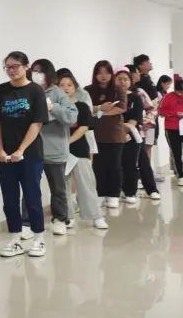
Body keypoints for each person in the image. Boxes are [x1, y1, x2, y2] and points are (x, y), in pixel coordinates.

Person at [0, 51, 48, 258]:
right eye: (8, 67)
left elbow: (37, 123)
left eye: (15, 66)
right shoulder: (1, 90)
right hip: (5, 155)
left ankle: (39, 238)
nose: (11, 70)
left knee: (32, 196)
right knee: (10, 198)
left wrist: (21, 149)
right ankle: (15, 239)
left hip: (30, 154)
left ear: (26, 67)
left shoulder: (35, 91)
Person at [29, 58, 77, 236]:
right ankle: (28, 222)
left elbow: (71, 117)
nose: (36, 74)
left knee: (57, 188)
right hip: (32, 149)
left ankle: (59, 219)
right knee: (30, 187)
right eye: (34, 71)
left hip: (54, 149)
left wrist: (53, 108)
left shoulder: (57, 93)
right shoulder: (29, 91)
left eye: (40, 71)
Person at [57, 72, 108, 230]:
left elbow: (84, 128)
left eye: (69, 85)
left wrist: (67, 142)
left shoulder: (82, 106)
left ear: (75, 88)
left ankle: (96, 216)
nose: (66, 88)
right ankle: (68, 217)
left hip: (79, 151)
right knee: (62, 187)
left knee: (86, 185)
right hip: (59, 153)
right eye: (61, 85)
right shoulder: (54, 108)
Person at [85, 61, 127, 209]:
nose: (103, 76)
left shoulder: (118, 89)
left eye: (107, 72)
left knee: (114, 165)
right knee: (98, 165)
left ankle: (114, 194)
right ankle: (100, 194)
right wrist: (99, 108)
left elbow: (121, 108)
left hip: (115, 134)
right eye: (100, 72)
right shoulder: (88, 90)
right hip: (95, 134)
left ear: (111, 74)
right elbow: (85, 108)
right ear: (95, 74)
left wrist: (99, 113)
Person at [121, 67, 159, 202]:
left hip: (136, 133)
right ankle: (126, 191)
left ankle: (152, 189)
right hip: (116, 134)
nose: (123, 82)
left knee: (143, 161)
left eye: (126, 79)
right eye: (119, 79)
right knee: (125, 163)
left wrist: (146, 121)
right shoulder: (113, 96)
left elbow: (151, 109)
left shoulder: (138, 93)